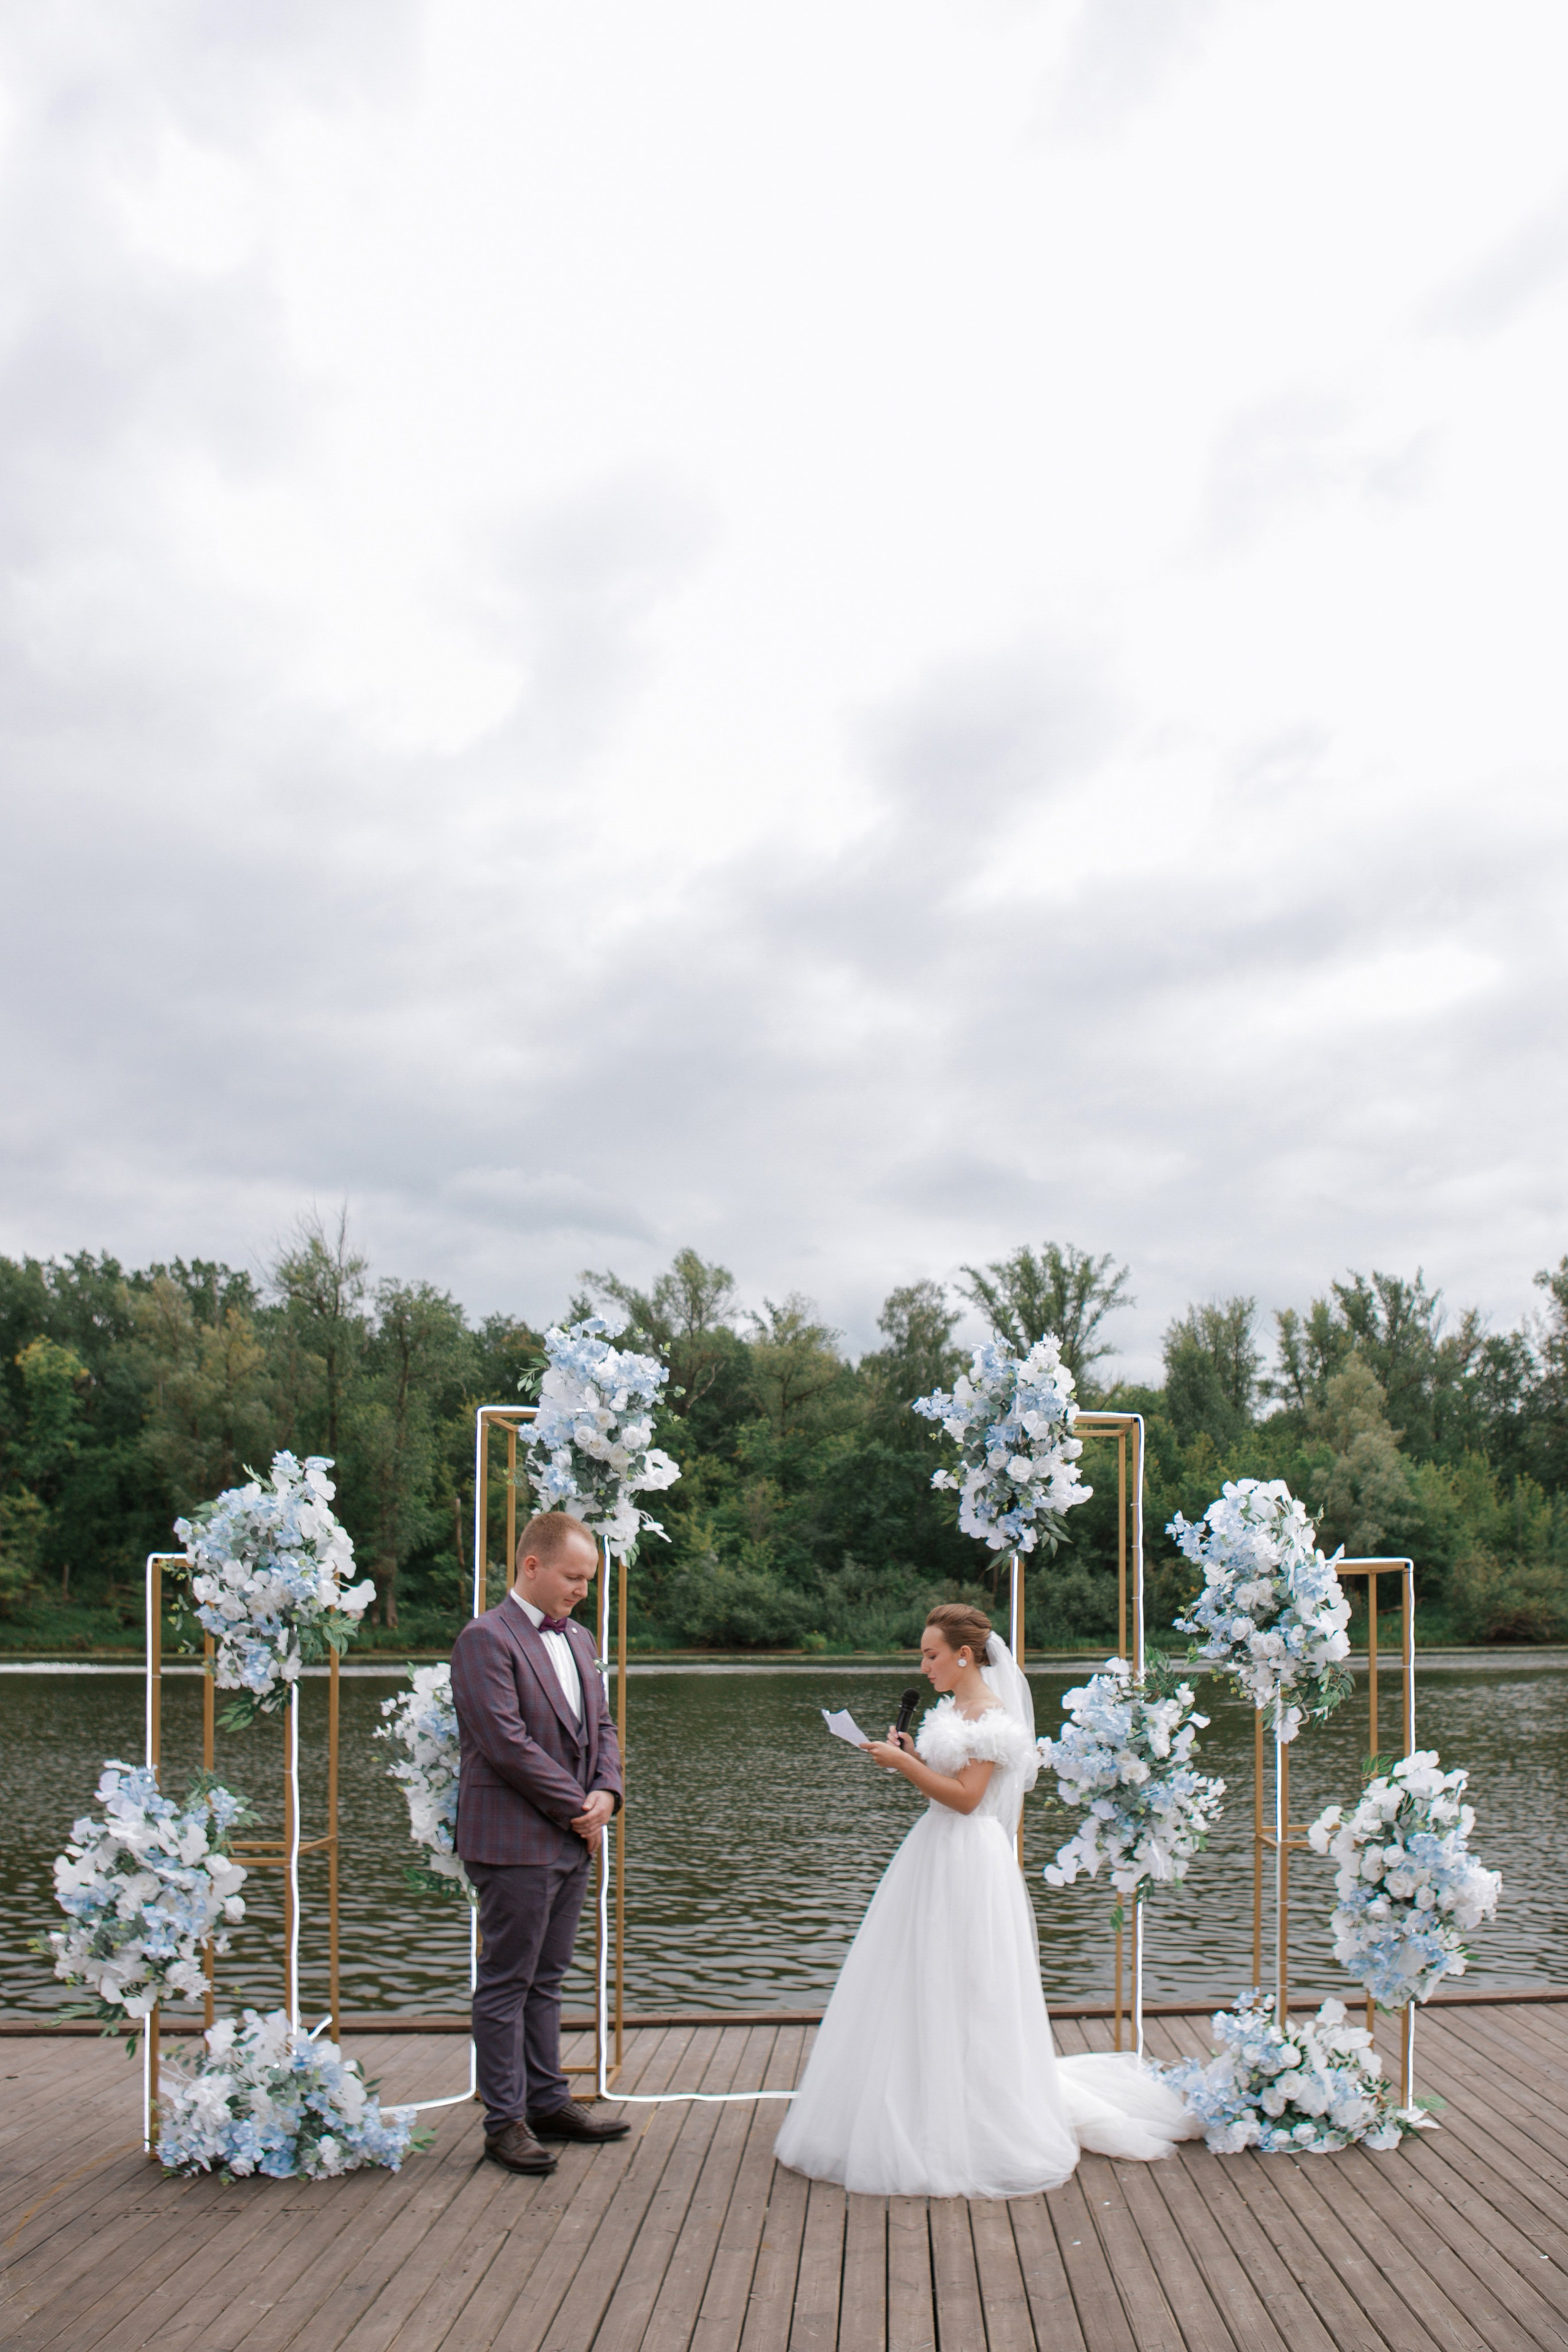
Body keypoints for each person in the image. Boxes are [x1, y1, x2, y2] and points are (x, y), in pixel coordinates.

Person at [774, 1601, 1198, 2199]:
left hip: (967, 1858)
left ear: (963, 1655)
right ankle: (916, 2098)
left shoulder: (994, 1717)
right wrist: (913, 1759)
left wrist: (903, 1763)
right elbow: (950, 1782)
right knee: (917, 1975)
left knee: (966, 1981)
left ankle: (970, 2117)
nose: (924, 1665)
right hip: (934, 1851)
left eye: (931, 1654)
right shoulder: (954, 1707)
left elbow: (969, 1798)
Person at [449, 1510, 633, 2174]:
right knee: (506, 1982)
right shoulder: (484, 1638)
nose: (582, 1590)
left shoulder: (579, 1639)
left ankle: (548, 2101)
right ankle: (505, 2123)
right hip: (513, 1840)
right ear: (532, 1566)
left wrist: (607, 1794)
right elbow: (504, 1743)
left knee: (547, 1980)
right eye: (573, 1577)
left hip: (572, 1837)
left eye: (588, 1579)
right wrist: (576, 1808)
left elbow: (602, 1728)